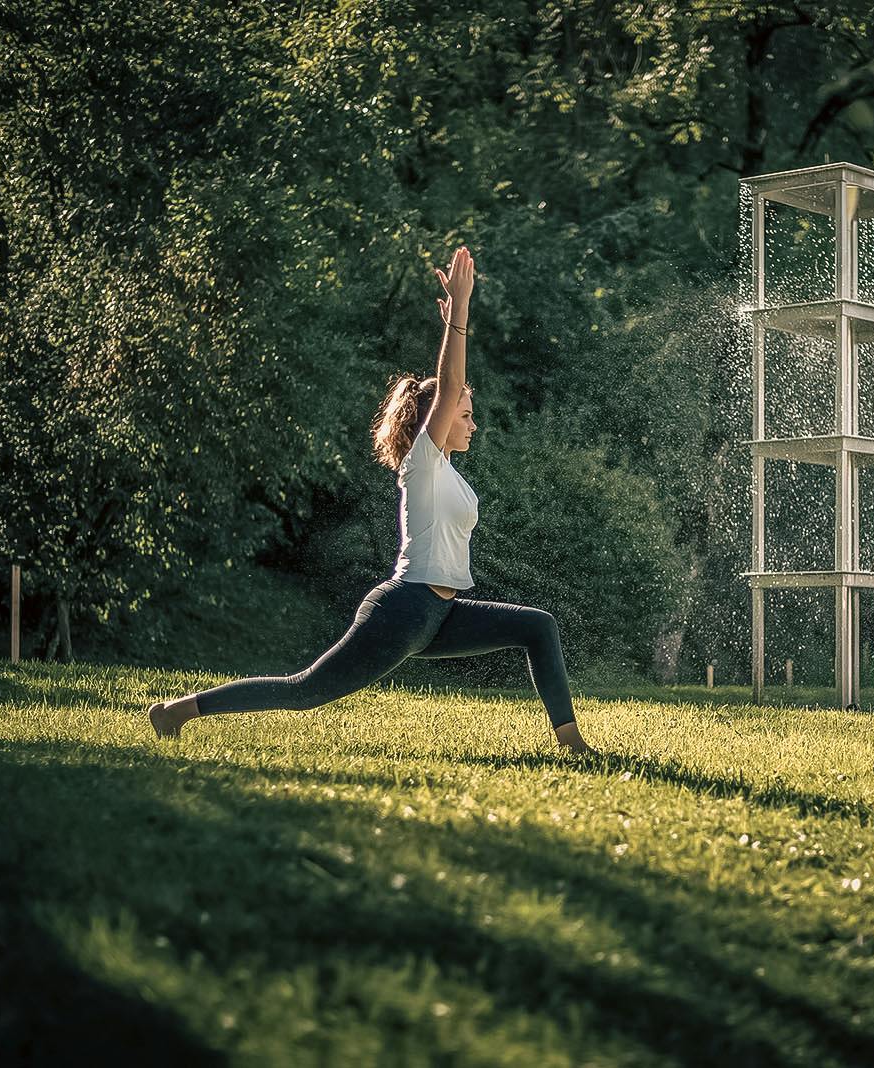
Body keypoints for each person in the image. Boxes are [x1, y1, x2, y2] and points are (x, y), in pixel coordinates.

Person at [148, 245, 596, 754]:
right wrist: (461, 315)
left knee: (538, 627)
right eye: (464, 413)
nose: (473, 423)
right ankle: (176, 711)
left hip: (440, 616)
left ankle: (571, 743)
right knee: (306, 691)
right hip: (403, 610)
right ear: (437, 419)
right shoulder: (422, 462)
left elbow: (451, 392)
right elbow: (448, 382)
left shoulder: (447, 472)